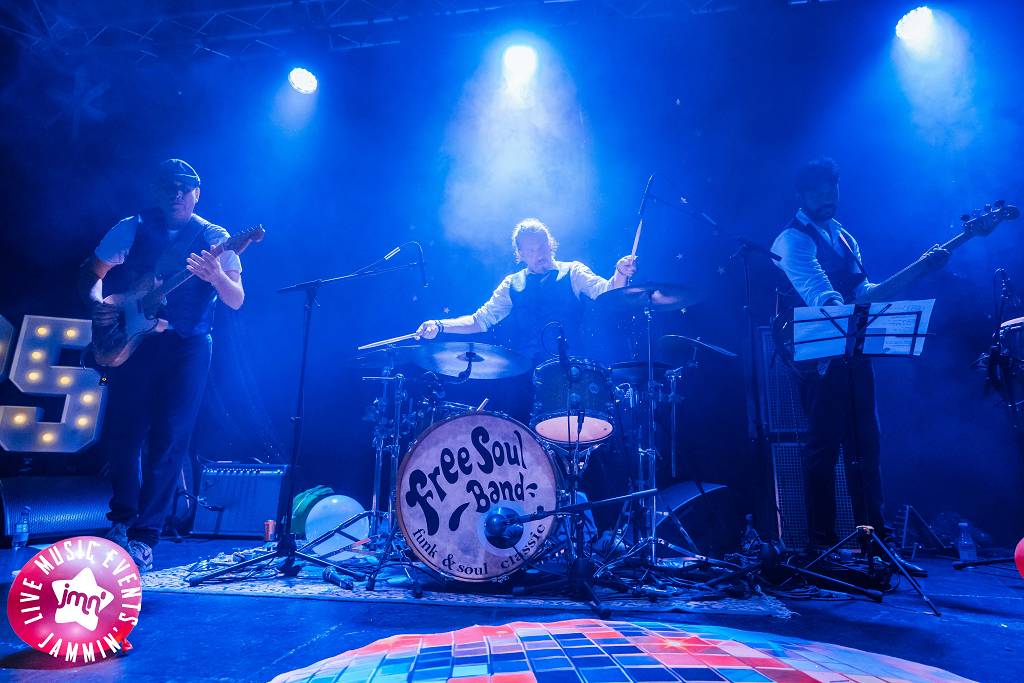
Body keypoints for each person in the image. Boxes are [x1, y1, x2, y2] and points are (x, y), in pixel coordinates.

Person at [771, 157, 944, 576]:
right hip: (818, 357)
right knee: (822, 449)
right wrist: (854, 309)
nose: (826, 198)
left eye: (831, 190)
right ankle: (820, 547)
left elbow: (865, 290)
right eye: (817, 193)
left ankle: (878, 544)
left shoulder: (844, 236)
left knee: (867, 447)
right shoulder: (792, 241)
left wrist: (920, 270)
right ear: (802, 196)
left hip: (853, 351)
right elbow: (824, 298)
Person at [78, 159, 244, 572]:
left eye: (185, 188)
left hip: (187, 347)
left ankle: (145, 536)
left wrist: (215, 276)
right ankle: (121, 520)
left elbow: (236, 298)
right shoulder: (131, 228)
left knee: (170, 438)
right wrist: (98, 306)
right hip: (135, 344)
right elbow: (92, 271)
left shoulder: (216, 238)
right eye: (169, 186)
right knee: (124, 435)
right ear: (157, 191)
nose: (176, 194)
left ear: (197, 194)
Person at [415, 218, 637, 361]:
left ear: (550, 244)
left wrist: (620, 273)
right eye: (531, 251)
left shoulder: (573, 271)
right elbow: (479, 320)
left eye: (542, 247)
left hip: (572, 370)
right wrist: (440, 325)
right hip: (527, 373)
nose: (538, 255)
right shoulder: (511, 283)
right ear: (520, 254)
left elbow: (608, 292)